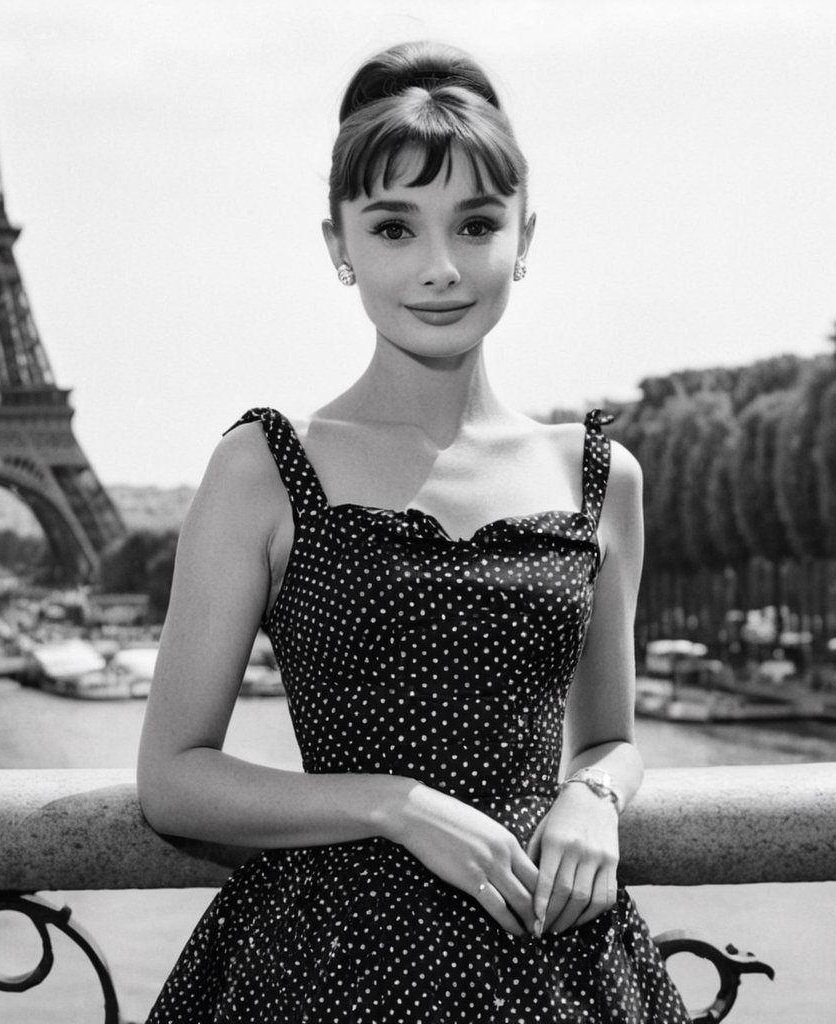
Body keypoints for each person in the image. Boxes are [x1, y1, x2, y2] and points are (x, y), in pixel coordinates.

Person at [138, 40, 689, 1022]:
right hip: (330, 970)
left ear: (525, 236)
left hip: (546, 965)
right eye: (394, 228)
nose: (440, 268)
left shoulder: (603, 477)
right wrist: (392, 800)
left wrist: (596, 799)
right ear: (337, 244)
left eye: (475, 224)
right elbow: (173, 779)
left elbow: (610, 739)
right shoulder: (261, 468)